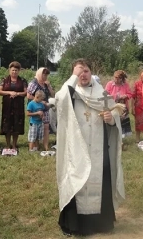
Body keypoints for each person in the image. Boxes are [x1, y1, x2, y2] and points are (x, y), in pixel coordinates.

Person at [55, 58, 125, 237]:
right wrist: (73, 77)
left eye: (85, 71)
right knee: (76, 182)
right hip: (76, 150)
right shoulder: (70, 93)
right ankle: (75, 225)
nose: (82, 75)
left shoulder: (101, 92)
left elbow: (115, 115)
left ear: (91, 72)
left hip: (98, 151)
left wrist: (111, 120)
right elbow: (59, 100)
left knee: (99, 182)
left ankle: (100, 223)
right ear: (73, 74)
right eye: (78, 71)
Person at [0, 61, 28, 150]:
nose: (14, 72)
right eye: (13, 70)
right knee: (7, 124)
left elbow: (26, 92)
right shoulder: (4, 80)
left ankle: (14, 144)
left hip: (18, 107)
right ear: (9, 70)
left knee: (16, 125)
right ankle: (7, 144)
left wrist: (17, 94)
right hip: (7, 106)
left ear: (19, 71)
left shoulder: (23, 81)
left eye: (16, 70)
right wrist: (9, 92)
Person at [27, 67, 54, 150]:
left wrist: (49, 86)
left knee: (46, 127)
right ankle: (35, 146)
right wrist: (40, 101)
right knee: (35, 127)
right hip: (35, 108)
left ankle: (46, 146)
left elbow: (53, 95)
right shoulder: (34, 83)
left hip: (45, 109)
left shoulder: (46, 84)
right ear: (39, 73)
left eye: (46, 74)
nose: (45, 76)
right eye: (43, 74)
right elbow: (28, 95)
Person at [105, 70, 133, 139]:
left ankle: (121, 140)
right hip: (112, 107)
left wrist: (125, 96)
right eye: (115, 77)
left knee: (122, 123)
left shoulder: (126, 85)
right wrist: (113, 97)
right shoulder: (110, 84)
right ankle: (112, 138)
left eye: (118, 78)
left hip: (123, 108)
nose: (116, 79)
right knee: (113, 122)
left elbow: (130, 94)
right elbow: (105, 94)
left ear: (121, 78)